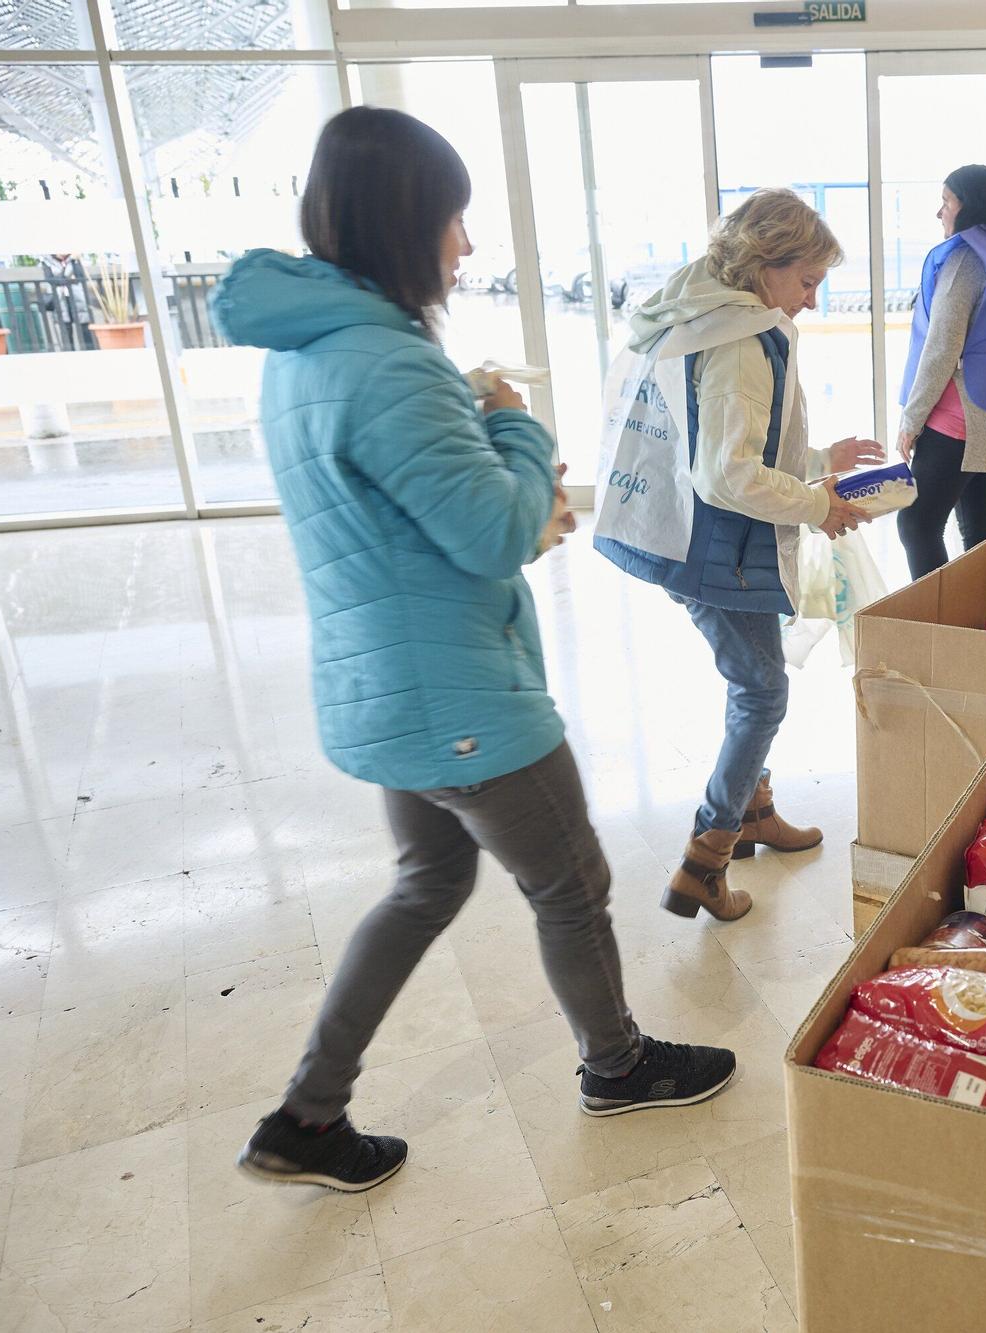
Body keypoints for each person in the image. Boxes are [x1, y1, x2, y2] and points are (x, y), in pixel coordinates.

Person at [210, 107, 734, 1194]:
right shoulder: (388, 363)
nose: (466, 243)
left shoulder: (304, 351)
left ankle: (306, 1116)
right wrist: (513, 422)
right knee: (572, 884)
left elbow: (415, 519)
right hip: (458, 698)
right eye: (454, 219)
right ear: (404, 223)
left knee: (426, 881)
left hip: (385, 684)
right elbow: (494, 532)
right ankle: (617, 1066)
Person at [595, 188, 884, 923]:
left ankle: (754, 813)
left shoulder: (701, 311)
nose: (812, 300)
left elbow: (721, 444)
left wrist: (818, 460)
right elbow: (727, 474)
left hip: (689, 535)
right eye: (807, 281)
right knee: (761, 691)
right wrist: (818, 504)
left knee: (754, 678)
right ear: (765, 264)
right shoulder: (741, 341)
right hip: (717, 548)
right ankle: (706, 859)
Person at [893, 165, 986, 580]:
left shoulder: (965, 258)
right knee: (979, 528)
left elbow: (942, 347)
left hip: (963, 413)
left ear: (968, 205)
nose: (940, 212)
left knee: (916, 523)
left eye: (946, 202)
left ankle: (938, 615)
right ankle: (983, 611)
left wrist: (911, 421)